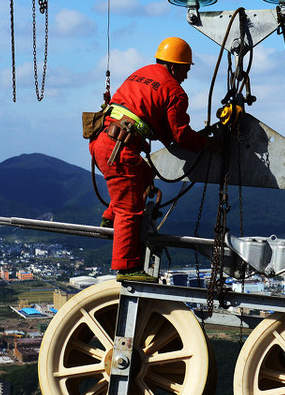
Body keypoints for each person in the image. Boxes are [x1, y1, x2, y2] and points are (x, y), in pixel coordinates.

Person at [90, 36, 217, 282]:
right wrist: (208, 144)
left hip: (102, 143)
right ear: (174, 66)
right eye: (185, 69)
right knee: (131, 209)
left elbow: (153, 121)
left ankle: (109, 216)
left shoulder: (141, 73)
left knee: (143, 175)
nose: (186, 76)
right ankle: (127, 268)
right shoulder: (175, 91)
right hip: (120, 149)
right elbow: (179, 135)